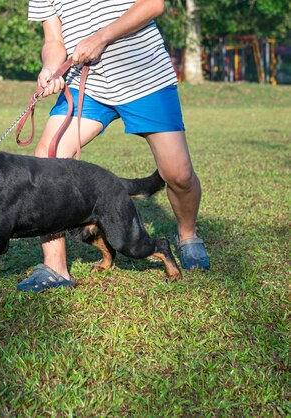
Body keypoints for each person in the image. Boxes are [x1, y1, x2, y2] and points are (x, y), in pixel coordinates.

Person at [17, 0, 210, 292]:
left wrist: (100, 37)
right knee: (48, 160)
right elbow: (54, 39)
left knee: (178, 174)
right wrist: (50, 66)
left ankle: (188, 235)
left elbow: (153, 5)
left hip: (144, 79)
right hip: (88, 84)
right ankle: (55, 268)